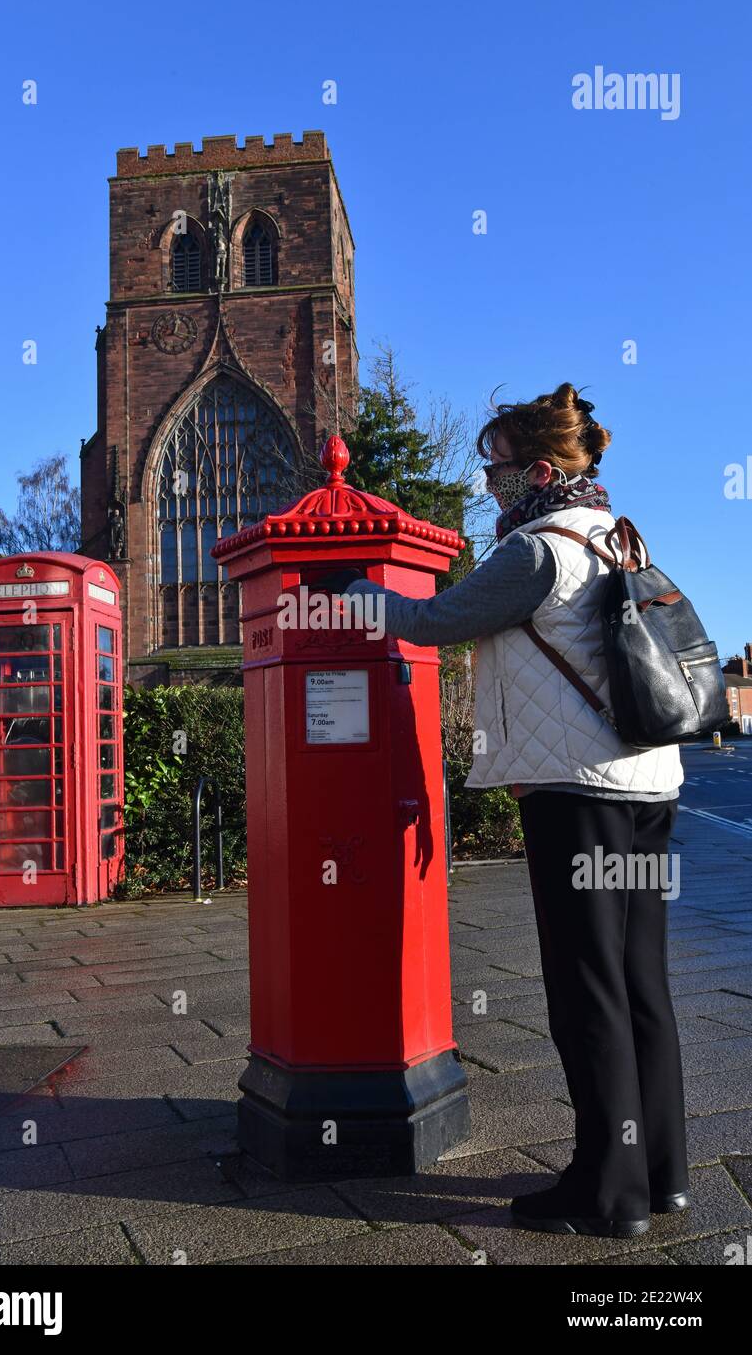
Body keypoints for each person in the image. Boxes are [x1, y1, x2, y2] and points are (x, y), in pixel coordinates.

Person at [325, 382, 689, 1239]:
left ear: (530, 469)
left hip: (576, 793)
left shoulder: (533, 549)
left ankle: (604, 1191)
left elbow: (432, 619)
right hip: (648, 787)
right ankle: (660, 1171)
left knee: (584, 991)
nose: (483, 484)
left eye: (490, 469)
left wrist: (346, 592)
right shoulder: (616, 532)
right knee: (639, 983)